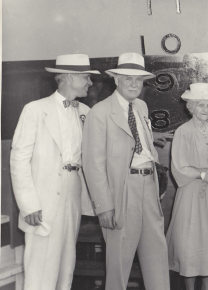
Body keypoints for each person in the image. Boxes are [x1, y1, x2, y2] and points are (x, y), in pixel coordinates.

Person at [10, 54, 98, 290]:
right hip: (43, 201)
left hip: (72, 197)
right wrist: (28, 204)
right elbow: (19, 159)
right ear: (69, 77)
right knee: (40, 272)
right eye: (86, 77)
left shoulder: (86, 112)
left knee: (65, 268)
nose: (90, 82)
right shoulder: (35, 110)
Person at [82, 52, 170, 290]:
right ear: (116, 80)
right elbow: (93, 164)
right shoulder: (99, 113)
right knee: (119, 263)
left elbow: (141, 143)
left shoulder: (141, 106)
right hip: (122, 192)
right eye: (128, 79)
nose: (134, 84)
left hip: (149, 188)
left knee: (157, 256)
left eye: (138, 80)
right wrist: (104, 206)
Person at [166, 83, 208, 290]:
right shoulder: (182, 131)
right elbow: (178, 166)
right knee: (191, 243)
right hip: (191, 193)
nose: (205, 109)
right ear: (191, 107)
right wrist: (201, 173)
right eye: (201, 105)